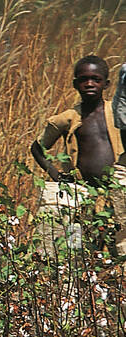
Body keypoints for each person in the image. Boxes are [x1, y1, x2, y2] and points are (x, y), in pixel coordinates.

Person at [29, 55, 126, 257]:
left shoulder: (116, 111)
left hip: (115, 193)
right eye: (83, 79)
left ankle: (112, 286)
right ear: (75, 84)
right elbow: (37, 148)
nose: (89, 84)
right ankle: (77, 285)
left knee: (118, 249)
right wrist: (57, 176)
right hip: (80, 196)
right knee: (77, 249)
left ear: (106, 84)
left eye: (96, 79)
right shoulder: (68, 118)